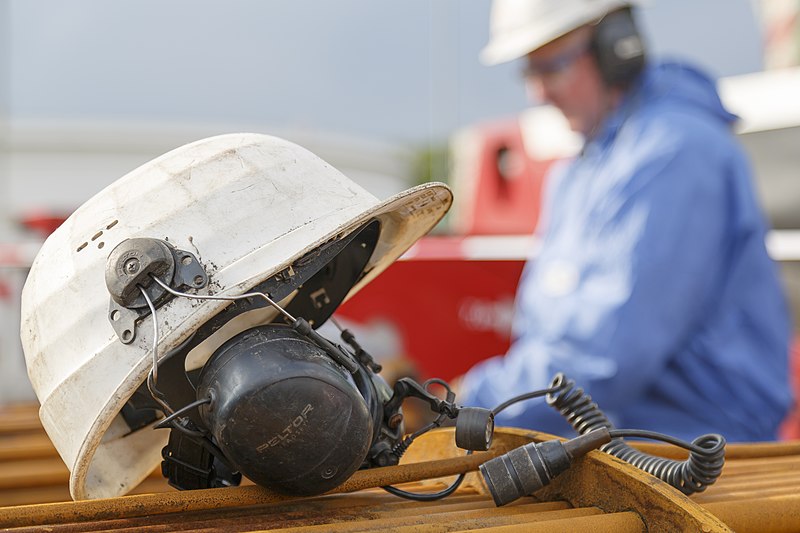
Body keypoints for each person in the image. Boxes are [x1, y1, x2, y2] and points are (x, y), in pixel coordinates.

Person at [457, 0, 793, 442]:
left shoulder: (677, 153)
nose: (538, 93)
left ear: (619, 49)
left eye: (551, 67)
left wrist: (472, 402)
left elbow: (608, 358)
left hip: (702, 456)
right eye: (528, 72)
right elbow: (547, 333)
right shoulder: (579, 170)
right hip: (625, 443)